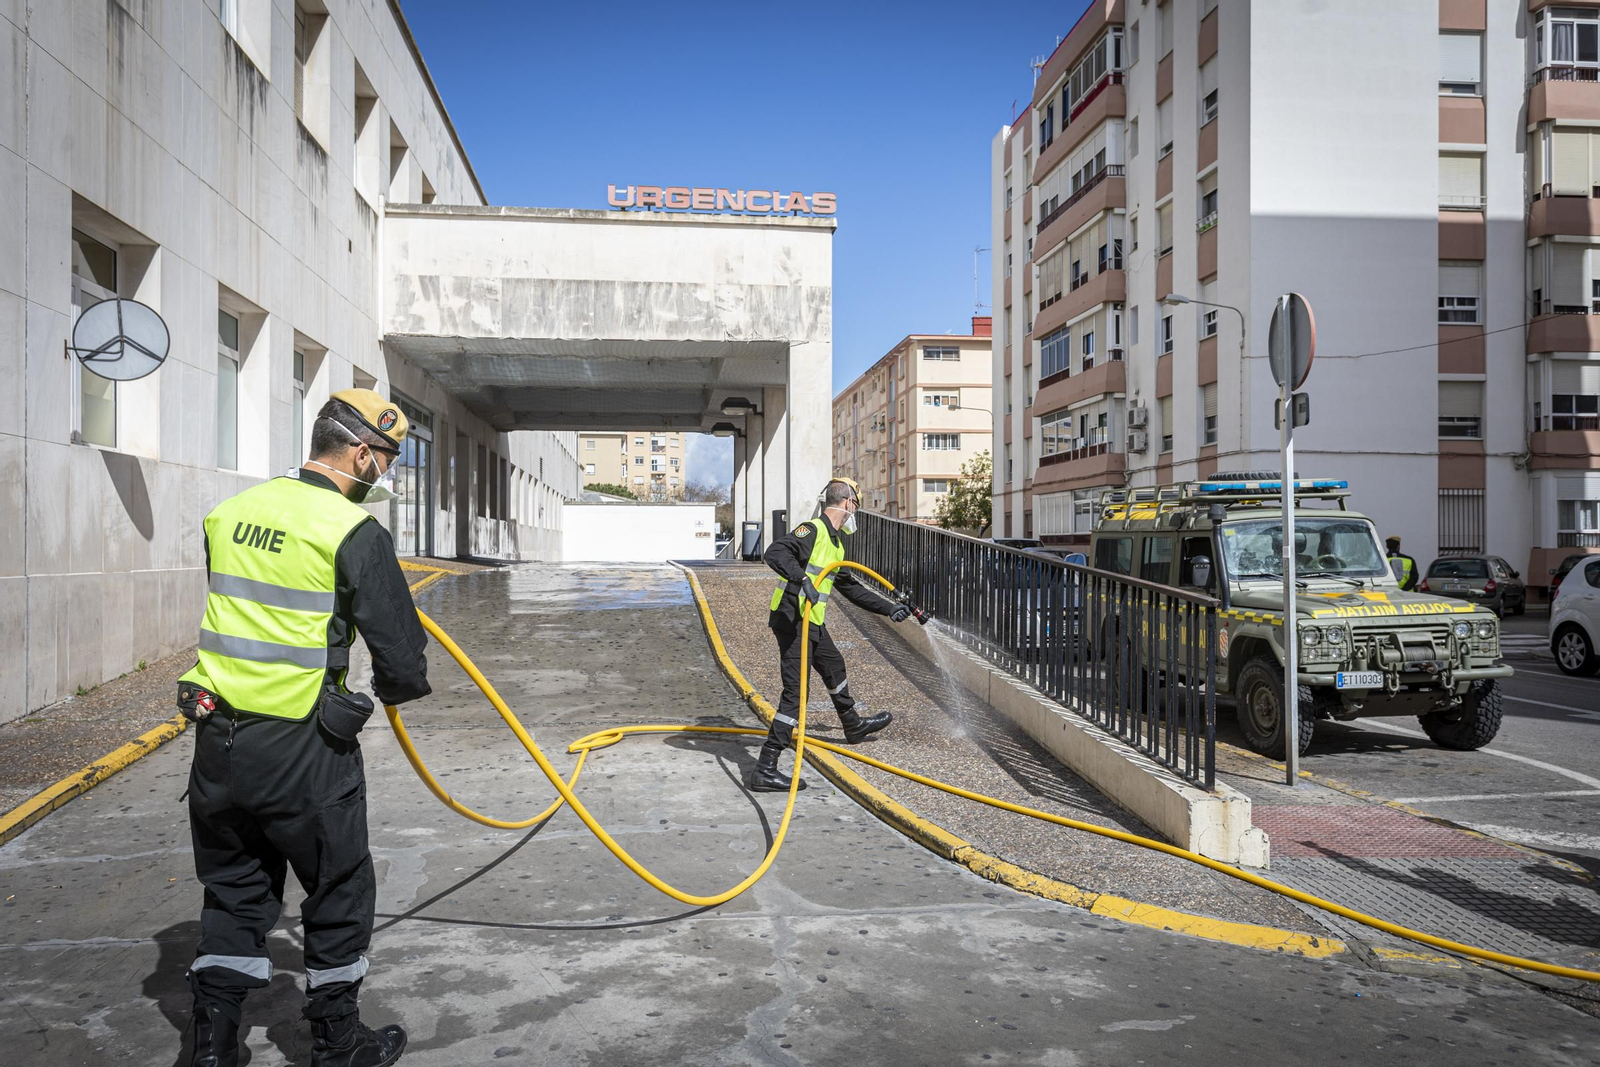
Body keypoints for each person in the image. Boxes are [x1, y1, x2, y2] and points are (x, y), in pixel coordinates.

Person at [177, 389, 430, 1067]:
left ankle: (212, 1046)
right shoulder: (352, 531)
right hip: (304, 749)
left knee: (234, 890)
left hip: (218, 743)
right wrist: (399, 688)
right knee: (339, 889)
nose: (382, 473)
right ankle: (339, 1046)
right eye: (382, 459)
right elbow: (401, 655)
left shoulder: (231, 514)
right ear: (356, 452)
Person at [751, 476, 913, 792]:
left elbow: (850, 587)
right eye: (857, 507)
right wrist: (802, 581)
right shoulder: (813, 530)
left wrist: (888, 608)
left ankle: (852, 725)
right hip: (794, 619)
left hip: (812, 622)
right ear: (848, 504)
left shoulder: (836, 542)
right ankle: (766, 768)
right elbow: (775, 553)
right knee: (795, 695)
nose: (856, 514)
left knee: (833, 664)